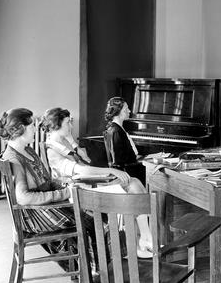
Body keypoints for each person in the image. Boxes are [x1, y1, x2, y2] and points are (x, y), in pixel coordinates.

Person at [42, 107, 153, 258]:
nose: (71, 126)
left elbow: (84, 159)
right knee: (131, 186)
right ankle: (137, 244)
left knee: (134, 181)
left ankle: (145, 238)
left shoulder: (62, 140)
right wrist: (111, 171)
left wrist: (78, 150)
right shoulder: (52, 149)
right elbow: (81, 171)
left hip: (85, 184)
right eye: (68, 123)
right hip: (78, 192)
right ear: (56, 125)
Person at [0, 108, 93, 270]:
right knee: (91, 220)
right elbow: (24, 198)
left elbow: (46, 181)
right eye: (32, 126)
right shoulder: (13, 157)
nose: (36, 128)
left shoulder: (27, 150)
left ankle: (85, 268)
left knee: (88, 214)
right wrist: (65, 193)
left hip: (40, 208)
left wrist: (64, 183)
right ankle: (93, 271)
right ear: (20, 128)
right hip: (32, 215)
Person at [103, 97, 146, 186]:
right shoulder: (116, 131)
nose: (129, 111)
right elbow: (118, 163)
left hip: (132, 166)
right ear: (118, 112)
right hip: (130, 173)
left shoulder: (117, 128)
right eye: (126, 109)